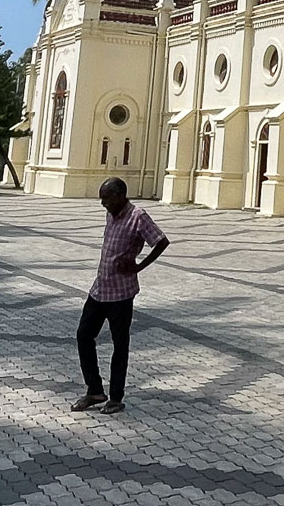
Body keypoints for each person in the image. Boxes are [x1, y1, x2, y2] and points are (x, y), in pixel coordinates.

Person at [72, 177, 169, 415]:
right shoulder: (111, 213)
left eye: (106, 198)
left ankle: (116, 397)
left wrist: (139, 266)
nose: (103, 203)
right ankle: (94, 390)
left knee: (119, 345)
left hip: (121, 294)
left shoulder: (138, 216)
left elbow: (161, 241)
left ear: (119, 195)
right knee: (84, 336)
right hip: (99, 289)